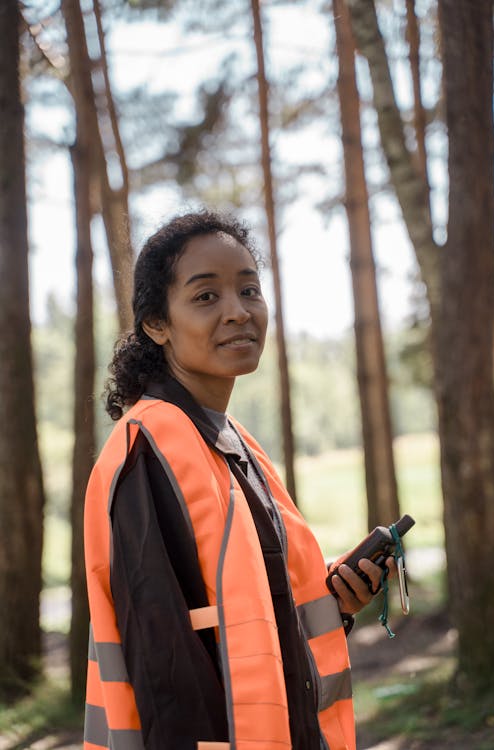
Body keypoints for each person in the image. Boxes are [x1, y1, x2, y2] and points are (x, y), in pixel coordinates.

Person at [83, 210, 390, 750]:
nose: (238, 312)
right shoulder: (150, 452)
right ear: (157, 324)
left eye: (249, 290)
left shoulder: (231, 444)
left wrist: (335, 603)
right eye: (206, 297)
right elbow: (166, 677)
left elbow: (244, 627)